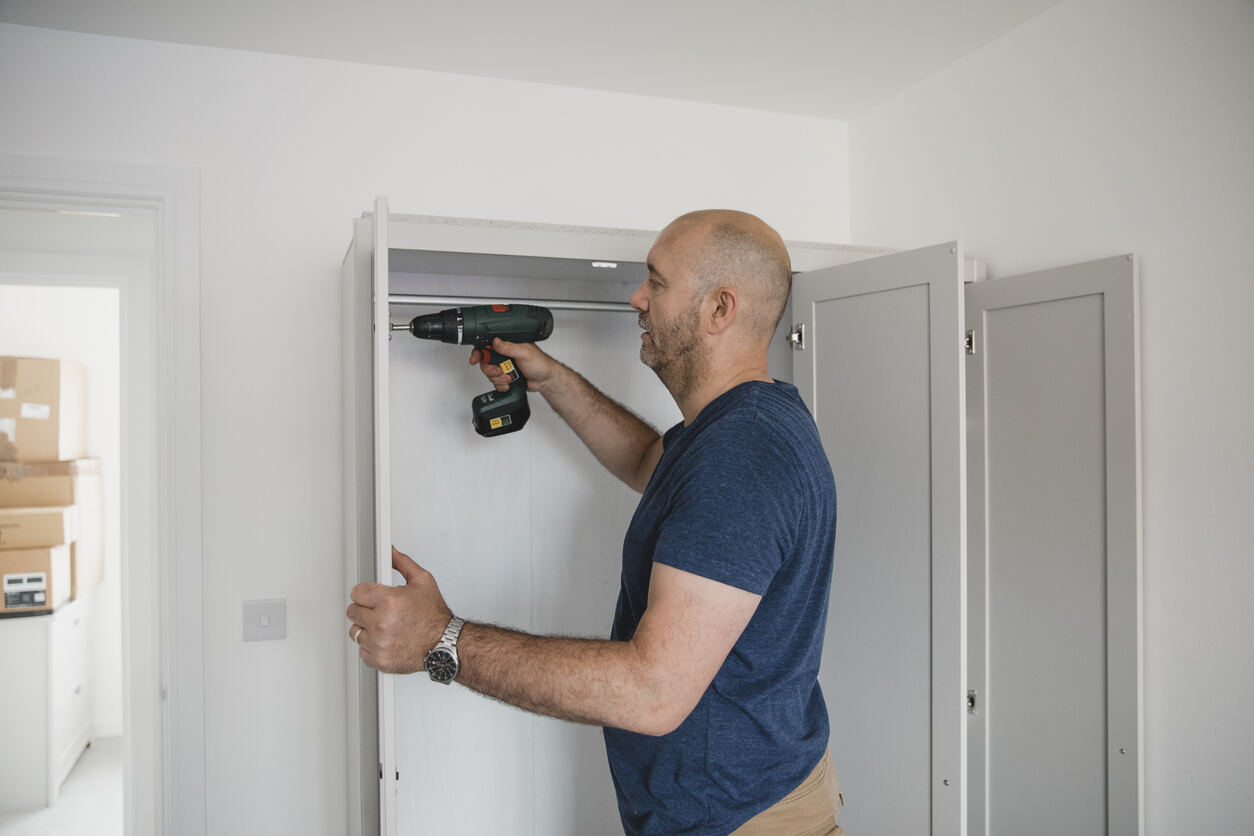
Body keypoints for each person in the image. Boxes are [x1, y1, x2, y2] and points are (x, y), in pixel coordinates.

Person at [346, 209, 841, 835]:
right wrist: (551, 378)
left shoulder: (739, 457)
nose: (637, 299)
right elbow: (644, 459)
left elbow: (651, 691)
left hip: (739, 821)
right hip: (743, 803)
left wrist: (442, 640)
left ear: (720, 309)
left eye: (656, 283)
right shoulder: (736, 428)